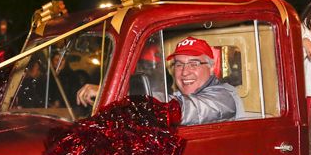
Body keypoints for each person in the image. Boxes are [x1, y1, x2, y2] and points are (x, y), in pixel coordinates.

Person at [76, 36, 243, 125]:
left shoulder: (224, 97)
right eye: (178, 64)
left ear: (211, 67)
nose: (185, 72)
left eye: (194, 63)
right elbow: (158, 97)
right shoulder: (180, 94)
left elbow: (182, 109)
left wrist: (116, 94)